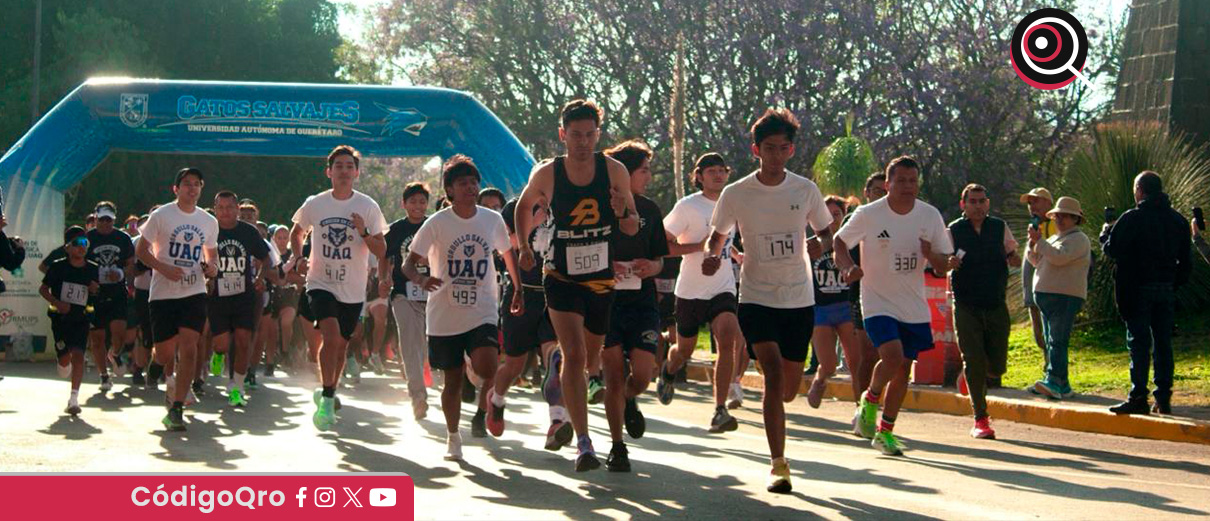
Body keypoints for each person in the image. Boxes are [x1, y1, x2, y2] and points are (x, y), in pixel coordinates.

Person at [707, 108, 834, 493]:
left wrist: (818, 247)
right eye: (768, 148)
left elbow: (828, 233)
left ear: (791, 150)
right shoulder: (737, 192)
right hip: (757, 296)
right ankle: (779, 464)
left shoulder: (805, 190)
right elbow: (718, 235)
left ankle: (775, 391)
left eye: (782, 148)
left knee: (789, 387)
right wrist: (714, 257)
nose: (776, 155)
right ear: (755, 149)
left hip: (797, 296)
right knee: (775, 374)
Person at [514, 99, 639, 472]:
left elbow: (632, 225)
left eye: (589, 135)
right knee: (575, 355)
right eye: (575, 135)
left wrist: (622, 212)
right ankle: (583, 444)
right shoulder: (549, 173)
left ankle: (576, 392)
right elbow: (523, 208)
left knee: (593, 357)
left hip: (600, 278)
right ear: (562, 135)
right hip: (560, 273)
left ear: (598, 135)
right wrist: (523, 246)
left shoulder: (614, 170)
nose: (583, 142)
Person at [835, 156, 955, 457]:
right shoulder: (868, 214)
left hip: (912, 304)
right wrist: (849, 268)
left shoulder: (929, 216)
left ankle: (885, 432)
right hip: (876, 300)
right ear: (887, 184)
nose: (907, 186)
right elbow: (839, 242)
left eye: (912, 181)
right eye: (900, 180)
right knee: (892, 355)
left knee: (903, 369)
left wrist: (934, 256)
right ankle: (871, 400)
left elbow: (944, 264)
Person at [403, 155, 517, 461]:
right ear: (450, 190)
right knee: (451, 382)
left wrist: (518, 288)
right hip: (444, 314)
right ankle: (453, 437)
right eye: (462, 183)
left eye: (473, 182)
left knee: (487, 367)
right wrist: (421, 278)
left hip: (482, 308)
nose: (470, 187)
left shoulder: (491, 220)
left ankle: (489, 397)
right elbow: (408, 264)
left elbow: (508, 255)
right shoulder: (436, 223)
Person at [289, 145, 388, 431]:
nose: (344, 171)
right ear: (329, 172)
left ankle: (327, 389)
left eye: (349, 166)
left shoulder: (368, 207)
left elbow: (381, 249)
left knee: (341, 345)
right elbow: (297, 232)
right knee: (330, 337)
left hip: (353, 288)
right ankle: (329, 399)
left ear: (356, 173)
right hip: (320, 282)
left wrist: (364, 232)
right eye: (339, 166)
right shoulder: (316, 204)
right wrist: (298, 258)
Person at [596, 139, 668, 471]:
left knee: (641, 375)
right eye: (644, 171)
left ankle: (630, 398)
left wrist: (650, 267)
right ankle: (617, 447)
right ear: (623, 174)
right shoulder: (596, 206)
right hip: (606, 303)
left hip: (641, 304)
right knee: (612, 376)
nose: (648, 177)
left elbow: (660, 260)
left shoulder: (650, 210)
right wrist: (603, 268)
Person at [659, 152, 743, 433]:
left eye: (722, 170)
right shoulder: (687, 207)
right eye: (711, 171)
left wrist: (734, 253)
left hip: (722, 286)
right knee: (684, 350)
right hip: (691, 290)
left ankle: (719, 409)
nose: (718, 175)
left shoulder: (731, 205)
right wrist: (701, 247)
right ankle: (669, 370)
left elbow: (725, 239)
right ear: (699, 176)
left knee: (728, 337)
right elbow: (664, 244)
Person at [1101, 172, 1192, 415]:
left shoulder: (1132, 218)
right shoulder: (1178, 221)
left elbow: (1114, 249)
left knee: (1139, 343)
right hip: (1165, 288)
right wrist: (1174, 284)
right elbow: (1186, 261)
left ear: (1140, 190)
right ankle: (1163, 397)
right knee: (1163, 343)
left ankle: (1138, 395)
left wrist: (1105, 235)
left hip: (1136, 289)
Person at [136, 168, 219, 431]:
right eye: (186, 184)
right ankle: (157, 363)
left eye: (196, 184)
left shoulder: (208, 221)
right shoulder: (161, 215)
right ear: (176, 189)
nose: (191, 189)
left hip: (194, 291)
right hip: (162, 293)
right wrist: (163, 268)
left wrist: (212, 268)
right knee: (165, 351)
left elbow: (212, 255)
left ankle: (177, 407)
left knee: (190, 346)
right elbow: (141, 250)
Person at [486, 194, 565, 446]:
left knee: (555, 358)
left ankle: (556, 422)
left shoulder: (563, 207)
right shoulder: (514, 208)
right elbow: (506, 245)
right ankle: (496, 400)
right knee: (514, 366)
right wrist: (533, 221)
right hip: (522, 292)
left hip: (554, 292)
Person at [947, 184, 1020, 439]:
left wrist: (1014, 258)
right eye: (973, 201)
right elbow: (942, 259)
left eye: (982, 201)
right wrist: (949, 262)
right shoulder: (954, 230)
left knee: (997, 366)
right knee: (973, 359)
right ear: (963, 205)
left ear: (987, 204)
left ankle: (986, 371)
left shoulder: (998, 227)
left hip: (995, 301)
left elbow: (1013, 253)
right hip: (966, 303)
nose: (978, 206)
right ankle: (980, 417)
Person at [207, 191, 277, 407]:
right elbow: (198, 258)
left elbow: (266, 259)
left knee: (243, 340)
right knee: (221, 343)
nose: (226, 212)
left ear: (237, 209)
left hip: (244, 294)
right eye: (221, 207)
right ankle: (218, 354)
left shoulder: (248, 232)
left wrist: (259, 278)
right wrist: (206, 275)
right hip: (217, 295)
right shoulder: (209, 231)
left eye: (230, 207)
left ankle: (237, 387)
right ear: (215, 209)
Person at [1026, 196, 1091, 401]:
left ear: (1076, 219)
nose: (1061, 220)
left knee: (1057, 340)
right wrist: (1032, 244)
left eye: (1067, 216)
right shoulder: (1055, 238)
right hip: (1048, 296)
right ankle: (1061, 383)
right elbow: (1037, 260)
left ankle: (1055, 379)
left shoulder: (1079, 239)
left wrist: (1041, 243)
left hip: (1065, 296)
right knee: (1050, 339)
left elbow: (1059, 257)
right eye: (1058, 216)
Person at [805, 195, 864, 409]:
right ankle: (820, 380)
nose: (831, 221)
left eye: (836, 215)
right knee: (829, 365)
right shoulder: (811, 245)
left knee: (856, 363)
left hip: (847, 307)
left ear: (844, 216)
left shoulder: (852, 244)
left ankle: (862, 411)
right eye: (826, 216)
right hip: (820, 310)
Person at [382, 182, 434, 421]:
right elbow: (384, 256)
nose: (417, 206)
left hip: (433, 293)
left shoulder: (433, 225)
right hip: (402, 292)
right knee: (409, 340)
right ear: (404, 204)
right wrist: (384, 278)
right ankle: (418, 395)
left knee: (424, 346)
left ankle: (421, 375)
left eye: (422, 201)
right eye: (412, 201)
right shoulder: (395, 230)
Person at [40, 227, 99, 415]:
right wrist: (58, 303)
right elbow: (43, 290)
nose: (82, 248)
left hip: (80, 318)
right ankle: (62, 360)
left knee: (79, 355)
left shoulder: (92, 268)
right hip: (60, 318)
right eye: (77, 244)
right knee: (65, 359)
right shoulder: (57, 267)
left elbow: (97, 293)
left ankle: (74, 399)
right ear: (67, 248)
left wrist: (95, 289)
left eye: (85, 244)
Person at [84, 201, 136, 390]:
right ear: (96, 218)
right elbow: (77, 260)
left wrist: (122, 274)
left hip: (117, 291)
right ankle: (104, 375)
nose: (106, 223)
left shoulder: (122, 238)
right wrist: (89, 279)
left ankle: (114, 354)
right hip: (95, 293)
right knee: (97, 337)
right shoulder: (87, 238)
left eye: (109, 219)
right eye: (102, 219)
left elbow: (131, 263)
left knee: (119, 334)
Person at [1019, 187, 1057, 376]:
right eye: (1029, 203)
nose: (1032, 206)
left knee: (1051, 331)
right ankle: (1046, 363)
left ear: (1049, 204)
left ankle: (1053, 369)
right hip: (1032, 288)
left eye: (1036, 201)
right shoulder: (1033, 227)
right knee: (1038, 332)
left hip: (1050, 287)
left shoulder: (1057, 225)